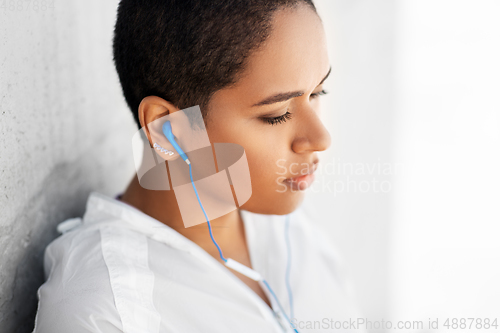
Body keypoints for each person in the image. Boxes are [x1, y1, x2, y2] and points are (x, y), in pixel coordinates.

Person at [33, 0, 364, 332]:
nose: (320, 138)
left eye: (319, 91)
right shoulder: (109, 310)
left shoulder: (288, 222)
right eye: (276, 114)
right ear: (170, 129)